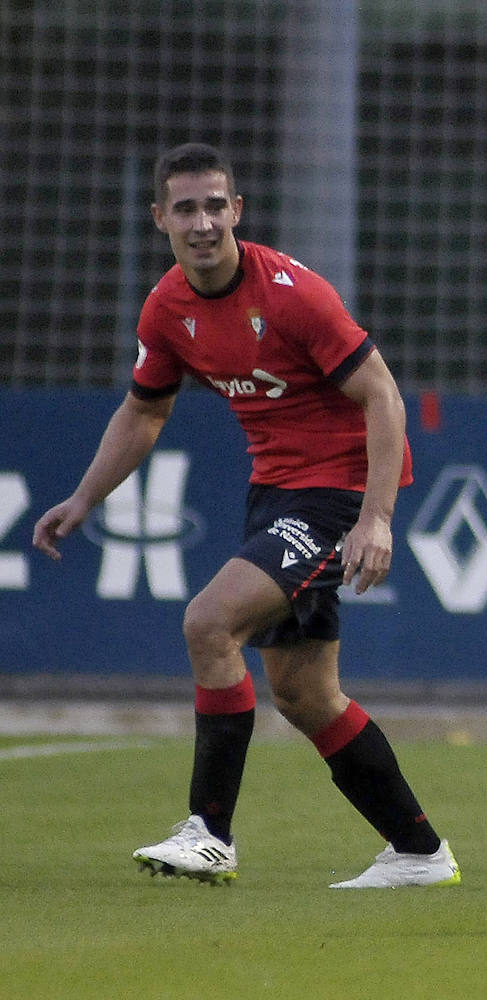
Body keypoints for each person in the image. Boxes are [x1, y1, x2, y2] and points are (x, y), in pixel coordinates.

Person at [32, 142, 459, 890]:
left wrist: (377, 519)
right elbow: (143, 413)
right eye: (186, 208)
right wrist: (83, 498)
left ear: (238, 210)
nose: (202, 223)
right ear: (160, 217)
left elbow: (383, 397)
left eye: (215, 205)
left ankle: (210, 833)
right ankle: (420, 854)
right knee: (304, 695)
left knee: (208, 622)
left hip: (339, 494)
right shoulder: (167, 307)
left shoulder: (293, 293)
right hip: (277, 493)